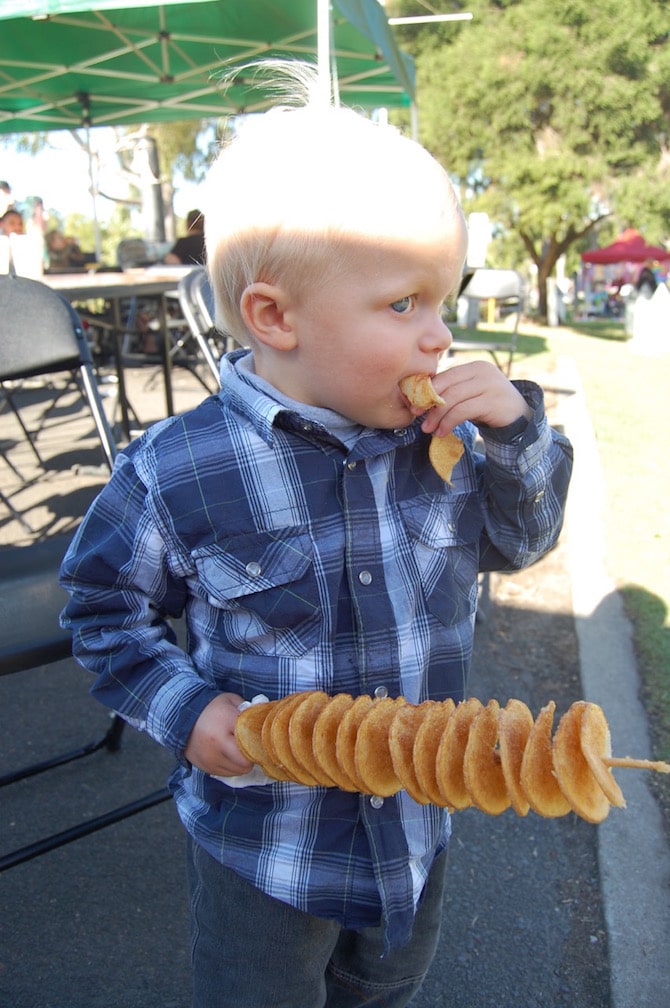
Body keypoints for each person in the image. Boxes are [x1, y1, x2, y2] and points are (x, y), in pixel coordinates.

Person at [59, 62, 573, 1008]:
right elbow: (101, 611)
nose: (438, 338)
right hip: (264, 848)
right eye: (402, 304)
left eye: (444, 303)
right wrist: (186, 711)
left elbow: (523, 540)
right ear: (275, 316)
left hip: (418, 825)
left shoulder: (449, 444)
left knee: (387, 990)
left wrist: (517, 435)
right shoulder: (178, 471)